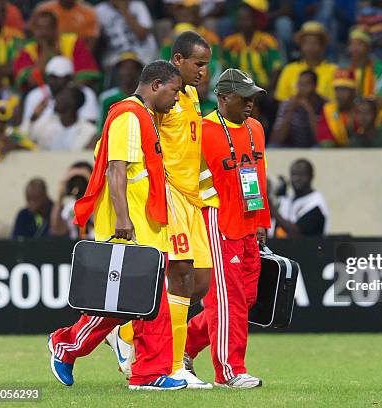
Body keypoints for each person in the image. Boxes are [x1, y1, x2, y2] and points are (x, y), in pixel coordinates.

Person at [48, 60, 188, 391]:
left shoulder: (145, 117)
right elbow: (116, 169)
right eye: (174, 91)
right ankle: (68, 346)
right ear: (156, 85)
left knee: (146, 304)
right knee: (130, 303)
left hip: (147, 224)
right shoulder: (128, 115)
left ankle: (145, 373)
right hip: (131, 227)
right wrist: (123, 219)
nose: (177, 99)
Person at [106, 31, 213, 389]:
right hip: (168, 196)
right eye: (198, 63)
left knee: (199, 282)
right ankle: (172, 364)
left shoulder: (193, 96)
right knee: (178, 277)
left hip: (192, 199)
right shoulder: (160, 100)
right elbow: (145, 149)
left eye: (207, 64)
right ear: (177, 61)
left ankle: (126, 333)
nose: (203, 71)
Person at [186, 68, 270, 389]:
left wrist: (262, 221)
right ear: (222, 98)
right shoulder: (203, 131)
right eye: (243, 97)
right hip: (218, 224)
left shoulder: (256, 129)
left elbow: (259, 175)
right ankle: (229, 371)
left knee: (245, 299)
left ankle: (184, 346)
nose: (250, 103)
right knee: (227, 302)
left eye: (253, 97)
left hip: (249, 224)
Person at [12, 10, 100, 91]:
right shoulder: (28, 50)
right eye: (39, 28)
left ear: (55, 28)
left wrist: (69, 91)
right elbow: (31, 82)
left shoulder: (72, 42)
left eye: (47, 28)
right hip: (40, 94)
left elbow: (88, 75)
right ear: (33, 30)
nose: (43, 32)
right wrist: (45, 51)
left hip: (73, 92)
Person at [20, 56, 99, 132]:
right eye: (51, 77)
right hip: (43, 141)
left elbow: (91, 126)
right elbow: (26, 129)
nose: (53, 82)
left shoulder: (85, 93)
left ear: (69, 78)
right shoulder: (35, 95)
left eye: (57, 77)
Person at [221, 3, 283, 91]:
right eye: (240, 19)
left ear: (255, 20)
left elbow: (276, 68)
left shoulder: (267, 41)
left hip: (264, 88)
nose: (243, 22)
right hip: (239, 90)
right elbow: (226, 69)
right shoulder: (230, 43)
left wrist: (268, 89)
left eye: (246, 19)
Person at [274, 21, 338, 102]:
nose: (310, 47)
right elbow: (281, 101)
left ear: (323, 46)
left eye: (315, 42)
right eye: (306, 43)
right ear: (301, 46)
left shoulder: (334, 71)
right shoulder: (289, 69)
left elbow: (334, 103)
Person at [271, 158, 329, 237]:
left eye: (302, 174)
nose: (297, 179)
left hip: (311, 248)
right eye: (293, 174)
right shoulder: (288, 199)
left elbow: (297, 234)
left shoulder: (316, 203)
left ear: (311, 176)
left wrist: (272, 209)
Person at [28, 85, 96, 151]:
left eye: (62, 96)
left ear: (73, 102)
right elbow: (26, 136)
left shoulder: (89, 131)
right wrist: (35, 115)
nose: (57, 99)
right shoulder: (46, 124)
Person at [94, 0, 158, 69]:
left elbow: (142, 35)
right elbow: (96, 40)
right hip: (115, 56)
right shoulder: (98, 11)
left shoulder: (138, 6)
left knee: (130, 65)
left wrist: (124, 10)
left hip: (142, 54)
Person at [270, 69, 325, 147]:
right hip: (290, 146)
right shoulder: (287, 104)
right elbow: (277, 139)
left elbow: (320, 138)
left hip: (314, 147)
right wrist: (291, 110)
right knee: (273, 147)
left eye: (306, 85)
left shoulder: (324, 104)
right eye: (300, 84)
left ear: (315, 86)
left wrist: (309, 110)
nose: (301, 88)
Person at [97, 52, 143, 134]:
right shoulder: (107, 98)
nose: (128, 72)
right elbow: (102, 129)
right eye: (124, 68)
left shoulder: (147, 98)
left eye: (132, 68)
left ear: (138, 72)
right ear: (118, 71)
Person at [49, 161, 94, 239]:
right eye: (75, 180)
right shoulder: (70, 207)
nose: (78, 184)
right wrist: (60, 196)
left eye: (82, 180)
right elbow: (57, 230)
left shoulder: (101, 204)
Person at [33, 0, 99, 50]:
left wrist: (80, 55)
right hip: (47, 50)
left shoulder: (88, 12)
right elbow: (34, 35)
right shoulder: (44, 9)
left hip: (78, 53)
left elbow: (91, 41)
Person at [316, 69, 357, 147]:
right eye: (337, 89)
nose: (339, 94)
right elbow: (325, 138)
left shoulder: (360, 110)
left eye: (344, 89)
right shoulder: (328, 110)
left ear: (353, 92)